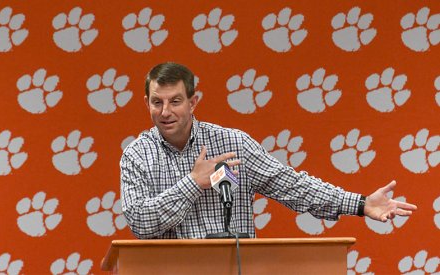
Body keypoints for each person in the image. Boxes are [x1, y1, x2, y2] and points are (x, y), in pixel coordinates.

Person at [120, 62, 417, 239]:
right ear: (146, 103)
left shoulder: (233, 144)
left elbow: (293, 186)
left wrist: (361, 203)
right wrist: (192, 183)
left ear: (193, 102)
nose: (165, 111)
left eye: (175, 101)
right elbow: (140, 223)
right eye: (157, 102)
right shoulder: (136, 156)